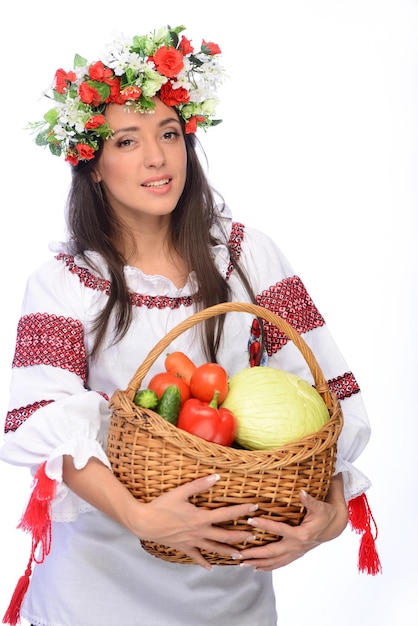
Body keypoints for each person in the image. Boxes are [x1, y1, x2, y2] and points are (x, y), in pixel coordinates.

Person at [0, 25, 379, 626]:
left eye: (170, 134)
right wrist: (142, 517)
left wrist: (331, 514)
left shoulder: (248, 257)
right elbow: (41, 423)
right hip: (98, 593)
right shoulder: (64, 282)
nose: (158, 158)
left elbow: (326, 397)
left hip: (232, 592)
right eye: (127, 141)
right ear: (92, 166)